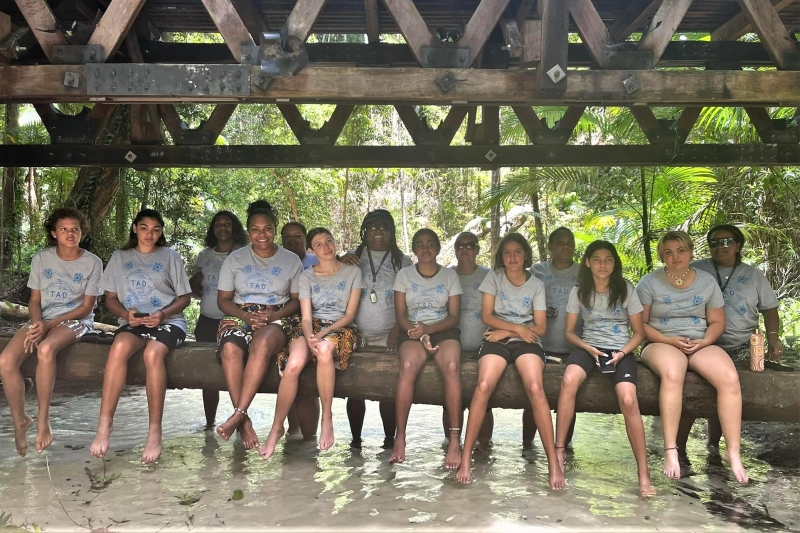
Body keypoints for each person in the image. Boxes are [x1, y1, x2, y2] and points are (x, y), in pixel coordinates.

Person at [636, 231, 747, 483]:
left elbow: (718, 321)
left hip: (700, 340)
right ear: (661, 255)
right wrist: (668, 340)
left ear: (690, 252)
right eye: (668, 252)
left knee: (729, 378)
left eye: (680, 251)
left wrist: (705, 341)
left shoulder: (707, 281)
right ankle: (671, 450)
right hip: (660, 340)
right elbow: (640, 325)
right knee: (674, 373)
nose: (675, 257)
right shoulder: (649, 282)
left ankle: (733, 451)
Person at [456, 233, 564, 489]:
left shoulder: (536, 284)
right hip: (496, 340)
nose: (512, 257)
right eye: (507, 252)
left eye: (517, 252)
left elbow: (539, 328)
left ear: (526, 254)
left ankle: (554, 464)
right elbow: (487, 316)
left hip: (527, 342)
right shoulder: (493, 278)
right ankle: (465, 459)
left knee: (535, 388)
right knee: (483, 386)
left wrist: (510, 331)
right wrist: (514, 330)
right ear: (501, 256)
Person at [90, 209, 192, 464]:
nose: (150, 234)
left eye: (156, 229)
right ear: (135, 228)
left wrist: (162, 314)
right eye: (145, 228)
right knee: (119, 347)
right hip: (134, 322)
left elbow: (185, 297)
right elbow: (111, 299)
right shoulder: (119, 257)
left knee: (152, 353)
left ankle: (154, 430)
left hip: (169, 322)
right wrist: (127, 314)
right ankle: (104, 425)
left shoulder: (171, 257)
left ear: (161, 232)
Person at [555, 240, 656, 497]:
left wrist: (623, 352)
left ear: (615, 263)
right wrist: (588, 348)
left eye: (608, 259)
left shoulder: (625, 289)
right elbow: (569, 333)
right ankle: (558, 453)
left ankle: (644, 475)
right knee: (568, 382)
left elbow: (639, 332)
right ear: (587, 262)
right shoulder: (579, 292)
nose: (603, 264)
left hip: (621, 351)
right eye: (597, 259)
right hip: (588, 348)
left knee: (628, 399)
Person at [0, 208, 102, 456]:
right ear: (54, 233)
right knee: (5, 361)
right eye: (64, 229)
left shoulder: (93, 263)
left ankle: (43, 420)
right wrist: (37, 325)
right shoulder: (41, 258)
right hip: (42, 318)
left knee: (45, 349)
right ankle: (20, 420)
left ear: (82, 232)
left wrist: (47, 327)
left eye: (75, 229)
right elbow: (34, 301)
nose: (70, 234)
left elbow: (86, 307)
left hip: (76, 320)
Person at [677, 224, 783, 454]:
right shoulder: (696, 269)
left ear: (738, 245)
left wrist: (773, 339)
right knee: (690, 393)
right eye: (714, 243)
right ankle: (678, 448)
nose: (719, 247)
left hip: (741, 346)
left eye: (726, 242)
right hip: (700, 344)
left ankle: (714, 446)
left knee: (726, 389)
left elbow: (770, 310)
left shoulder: (754, 275)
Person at [259, 228, 363, 459]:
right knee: (294, 363)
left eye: (329, 241)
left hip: (341, 328)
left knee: (325, 350)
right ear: (310, 250)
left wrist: (324, 334)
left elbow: (349, 316)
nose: (326, 247)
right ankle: (277, 427)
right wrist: (309, 337)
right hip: (311, 327)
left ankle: (327, 417)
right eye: (319, 244)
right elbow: (306, 318)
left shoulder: (353, 273)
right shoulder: (306, 276)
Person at [214, 200, 303, 449]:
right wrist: (245, 317)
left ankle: (238, 414)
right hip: (239, 315)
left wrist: (272, 317)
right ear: (248, 230)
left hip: (278, 316)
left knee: (262, 342)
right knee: (231, 349)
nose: (261, 235)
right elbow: (223, 300)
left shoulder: (291, 260)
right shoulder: (235, 259)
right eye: (255, 229)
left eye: (267, 229)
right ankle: (243, 420)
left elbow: (296, 302)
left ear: (275, 230)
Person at [340, 210, 412, 448]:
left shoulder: (402, 261)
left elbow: (412, 300)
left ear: (392, 233)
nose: (378, 232)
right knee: (354, 387)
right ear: (364, 232)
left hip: (390, 335)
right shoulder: (353, 257)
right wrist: (339, 262)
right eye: (373, 227)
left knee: (388, 387)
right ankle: (356, 441)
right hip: (357, 334)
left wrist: (398, 328)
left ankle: (389, 441)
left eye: (384, 227)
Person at [391, 228, 463, 468]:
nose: (425, 249)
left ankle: (454, 440)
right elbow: (400, 315)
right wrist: (418, 333)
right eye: (420, 244)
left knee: (452, 366)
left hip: (443, 329)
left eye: (430, 244)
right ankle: (400, 436)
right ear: (414, 249)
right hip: (412, 330)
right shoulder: (404, 275)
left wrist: (429, 331)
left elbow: (454, 317)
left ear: (438, 248)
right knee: (408, 365)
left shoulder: (450, 277)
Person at [189, 210, 247, 429]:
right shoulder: (204, 255)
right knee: (207, 373)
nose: (223, 228)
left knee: (236, 367)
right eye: (218, 224)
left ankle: (239, 418)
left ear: (235, 228)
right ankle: (209, 424)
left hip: (235, 321)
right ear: (213, 230)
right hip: (207, 319)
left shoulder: (243, 254)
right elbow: (196, 284)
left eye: (227, 224)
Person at [527, 227, 580, 447]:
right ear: (550, 246)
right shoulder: (535, 272)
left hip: (574, 347)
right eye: (560, 242)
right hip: (540, 345)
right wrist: (538, 311)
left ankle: (564, 449)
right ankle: (527, 449)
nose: (565, 246)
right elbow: (521, 302)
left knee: (569, 400)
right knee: (531, 398)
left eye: (570, 242)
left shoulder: (584, 272)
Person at [280, 221, 322, 441]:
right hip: (285, 324)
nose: (292, 240)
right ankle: (292, 429)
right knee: (285, 370)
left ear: (305, 240)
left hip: (314, 324)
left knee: (306, 382)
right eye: (287, 237)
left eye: (297, 236)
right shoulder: (277, 261)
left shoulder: (317, 260)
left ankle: (309, 441)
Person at [451, 231, 493, 445]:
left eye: (470, 245)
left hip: (483, 348)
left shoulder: (489, 275)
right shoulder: (446, 275)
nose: (465, 249)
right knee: (450, 401)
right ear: (455, 250)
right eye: (460, 245)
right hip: (452, 348)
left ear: (477, 249)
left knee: (485, 402)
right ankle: (452, 445)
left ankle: (485, 451)